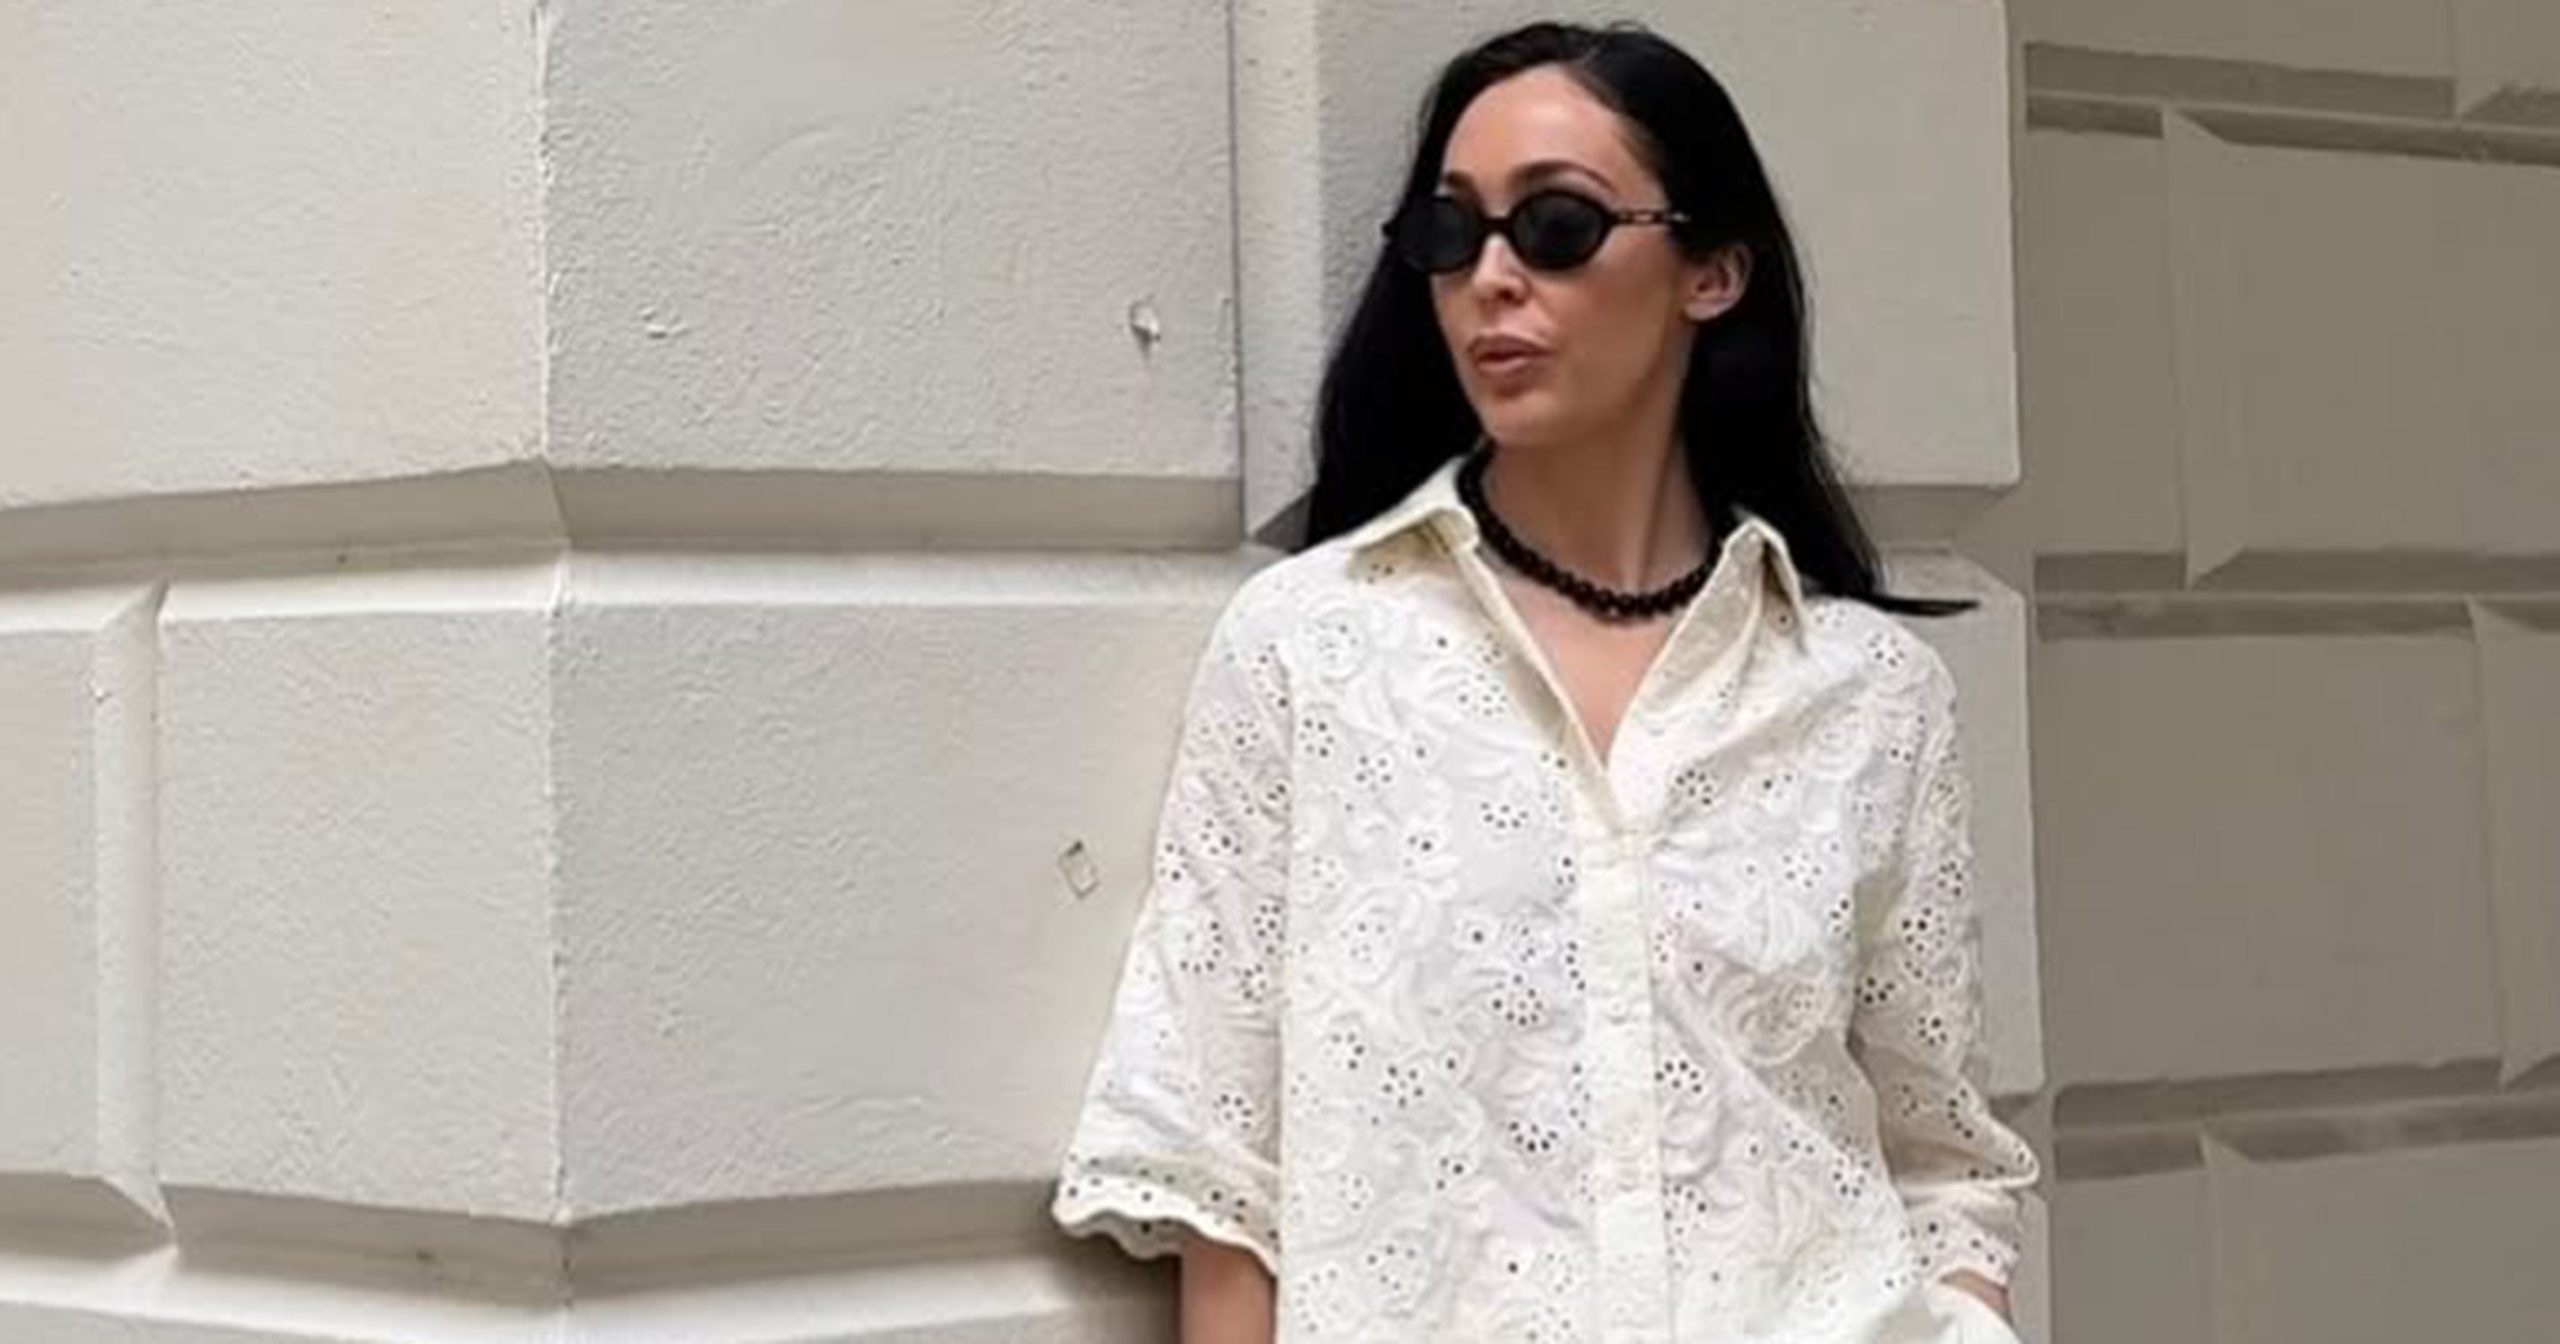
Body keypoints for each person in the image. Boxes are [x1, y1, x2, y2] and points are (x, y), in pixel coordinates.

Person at [1049, 18, 2040, 1343]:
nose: (1492, 278)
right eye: (1452, 234)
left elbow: (1944, 1158)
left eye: (1556, 226)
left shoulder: (1870, 694)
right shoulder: (1310, 651)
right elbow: (1217, 1169)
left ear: (1712, 271)